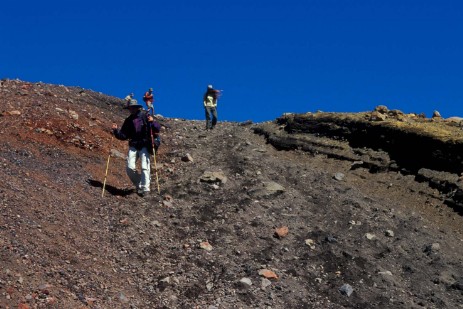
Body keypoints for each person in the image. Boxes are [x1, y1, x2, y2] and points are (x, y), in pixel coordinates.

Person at [112, 99, 161, 197]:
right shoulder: (128, 120)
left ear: (137, 108)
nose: (132, 109)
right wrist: (116, 131)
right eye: (130, 108)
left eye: (133, 107)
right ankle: (140, 184)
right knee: (129, 167)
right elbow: (124, 135)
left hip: (144, 144)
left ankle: (145, 189)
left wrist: (152, 122)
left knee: (144, 166)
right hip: (133, 145)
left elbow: (157, 128)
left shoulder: (145, 116)